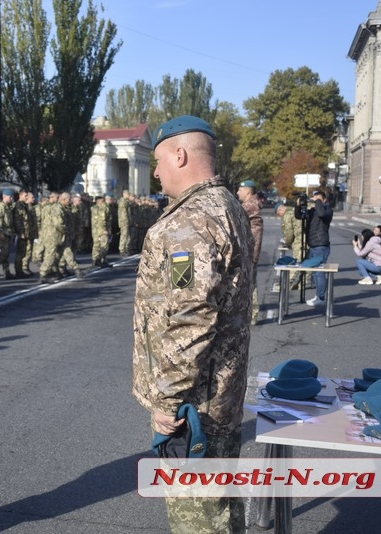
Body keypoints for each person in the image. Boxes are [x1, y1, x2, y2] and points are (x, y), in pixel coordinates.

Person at [132, 116, 253, 533]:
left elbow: (191, 319)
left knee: (198, 517)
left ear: (180, 155)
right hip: (219, 391)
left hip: (195, 402)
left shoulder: (189, 221)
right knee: (219, 506)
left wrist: (168, 399)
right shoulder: (227, 206)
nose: (157, 172)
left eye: (160, 161)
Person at [300, 189, 333, 306]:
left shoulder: (327, 209)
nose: (315, 200)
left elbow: (322, 214)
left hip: (321, 245)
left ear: (324, 199)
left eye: (318, 198)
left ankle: (321, 297)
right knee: (315, 272)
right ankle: (319, 296)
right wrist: (298, 205)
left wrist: (318, 201)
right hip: (313, 244)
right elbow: (300, 216)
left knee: (319, 272)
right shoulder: (315, 210)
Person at [237, 179, 263, 325]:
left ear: (247, 191)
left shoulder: (249, 206)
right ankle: (250, 313)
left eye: (240, 190)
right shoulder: (253, 204)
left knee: (249, 285)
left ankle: (252, 315)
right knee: (248, 283)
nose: (237, 193)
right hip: (250, 250)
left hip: (249, 251)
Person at [0, 189, 15, 280]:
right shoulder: (1, 206)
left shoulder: (7, 206)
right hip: (2, 234)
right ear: (4, 197)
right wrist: (0, 233)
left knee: (6, 254)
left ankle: (6, 271)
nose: (11, 198)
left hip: (7, 233)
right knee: (1, 254)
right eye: (10, 196)